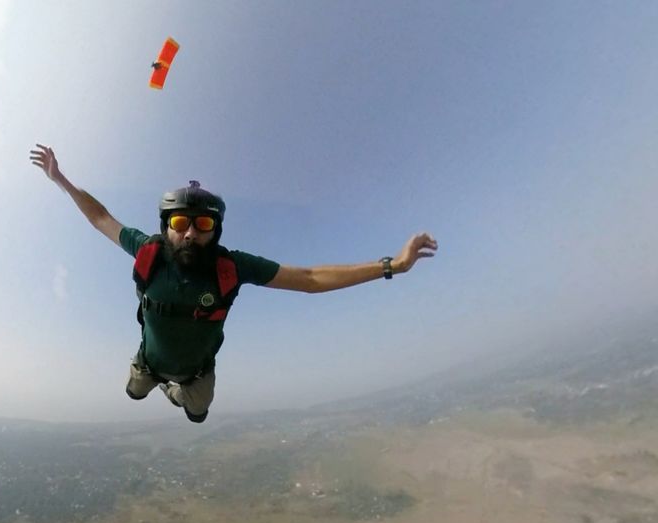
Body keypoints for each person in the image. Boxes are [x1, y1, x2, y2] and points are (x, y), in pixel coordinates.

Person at [30, 144, 437, 423]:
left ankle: (175, 393)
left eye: (202, 223)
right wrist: (61, 180)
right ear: (166, 227)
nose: (190, 234)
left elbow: (310, 279)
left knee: (197, 414)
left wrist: (393, 266)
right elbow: (102, 217)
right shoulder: (148, 252)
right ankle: (156, 384)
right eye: (179, 223)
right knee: (134, 393)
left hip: (196, 375)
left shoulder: (232, 267)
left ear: (216, 230)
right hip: (149, 364)